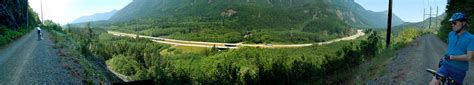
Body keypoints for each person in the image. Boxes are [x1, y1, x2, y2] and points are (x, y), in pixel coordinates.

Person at [430, 12, 473, 85]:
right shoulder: (451, 34)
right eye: (451, 23)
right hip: (446, 65)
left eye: (454, 23)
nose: (452, 25)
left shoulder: (471, 38)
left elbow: (469, 57)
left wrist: (451, 57)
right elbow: (451, 50)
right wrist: (444, 57)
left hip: (459, 69)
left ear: (463, 23)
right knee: (434, 83)